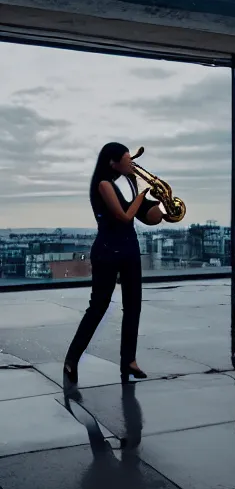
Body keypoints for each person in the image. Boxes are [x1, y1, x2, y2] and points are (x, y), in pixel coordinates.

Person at [63, 142, 168, 385]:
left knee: (133, 306)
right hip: (108, 251)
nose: (131, 163)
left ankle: (129, 361)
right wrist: (143, 191)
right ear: (112, 163)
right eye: (127, 159)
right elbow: (124, 216)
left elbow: (146, 216)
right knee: (98, 307)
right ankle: (71, 358)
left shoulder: (124, 186)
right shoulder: (103, 185)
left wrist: (162, 205)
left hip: (129, 249)